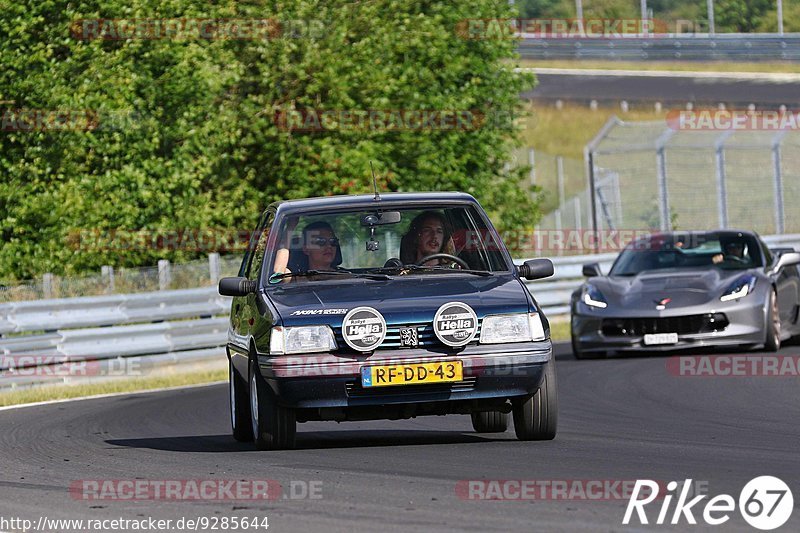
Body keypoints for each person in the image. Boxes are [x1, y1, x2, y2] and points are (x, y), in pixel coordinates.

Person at [273, 221, 342, 281]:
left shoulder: (347, 278)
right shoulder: (297, 279)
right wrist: (290, 227)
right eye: (321, 241)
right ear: (306, 249)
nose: (329, 246)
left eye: (333, 241)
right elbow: (278, 276)